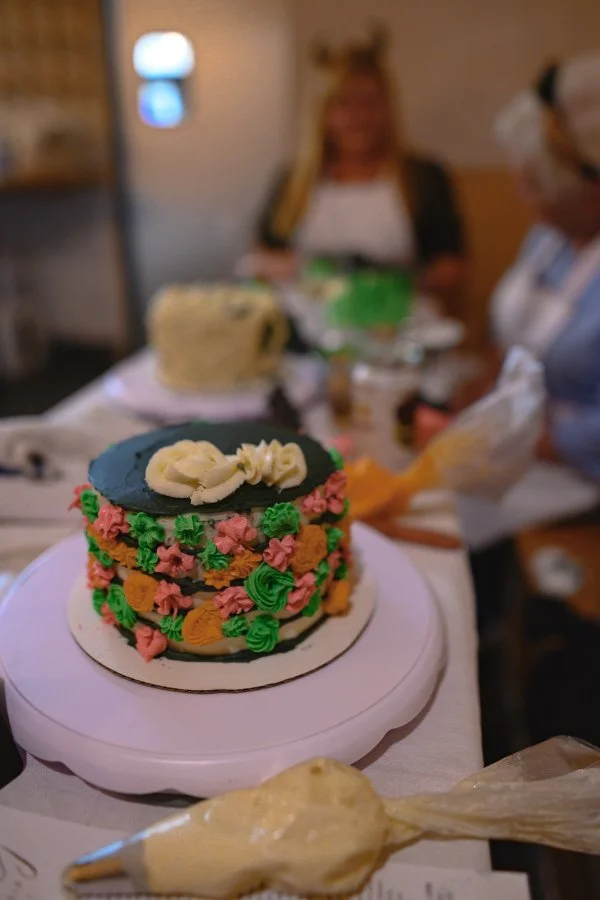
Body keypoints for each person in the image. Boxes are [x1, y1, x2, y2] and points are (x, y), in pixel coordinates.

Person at [244, 25, 465, 306]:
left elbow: (451, 267)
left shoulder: (423, 176)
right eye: (344, 104)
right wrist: (314, 271)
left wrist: (388, 279)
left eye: (369, 102)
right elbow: (259, 258)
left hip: (399, 325)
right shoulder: (293, 179)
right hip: (309, 324)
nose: (359, 117)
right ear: (323, 113)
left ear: (387, 107)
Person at [490, 55, 600, 483]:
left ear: (590, 193)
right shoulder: (549, 236)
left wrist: (535, 442)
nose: (523, 197)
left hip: (578, 474)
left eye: (535, 185)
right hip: (521, 448)